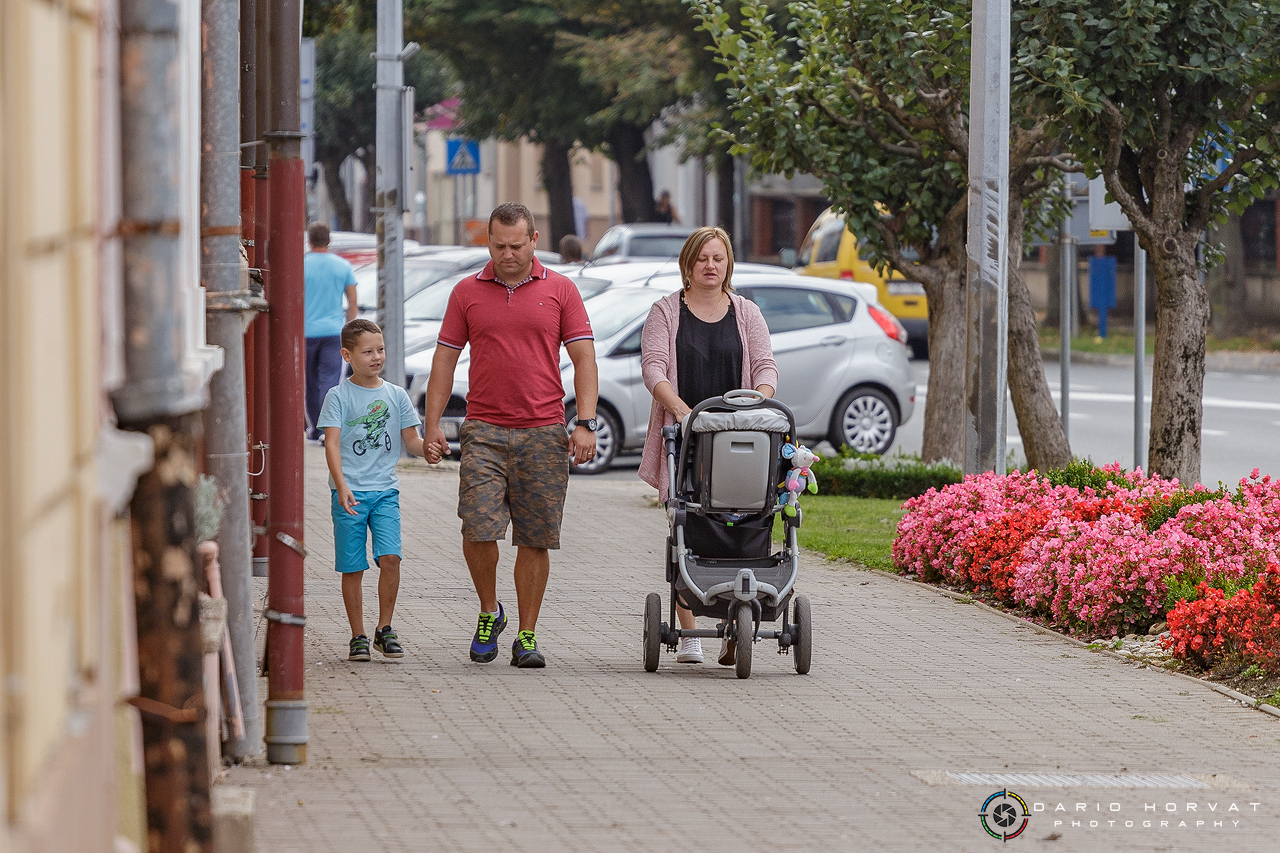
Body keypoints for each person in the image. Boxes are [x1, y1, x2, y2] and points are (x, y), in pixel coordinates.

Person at [422, 202, 600, 668]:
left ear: (534, 240)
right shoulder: (466, 292)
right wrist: (432, 423)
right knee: (478, 528)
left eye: (516, 245)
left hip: (543, 431)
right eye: (498, 245)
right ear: (488, 242)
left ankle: (526, 634)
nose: (507, 254)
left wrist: (584, 422)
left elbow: (584, 359)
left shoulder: (561, 290)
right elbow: (444, 360)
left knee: (535, 537)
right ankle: (488, 610)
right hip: (483, 429)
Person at [638, 226, 778, 665]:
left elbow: (765, 367)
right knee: (689, 522)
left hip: (739, 435)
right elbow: (654, 368)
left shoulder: (747, 312)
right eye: (702, 258)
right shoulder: (665, 312)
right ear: (688, 263)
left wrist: (760, 400)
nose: (710, 266)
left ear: (728, 263)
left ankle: (740, 618)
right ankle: (690, 633)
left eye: (718, 258)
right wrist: (681, 411)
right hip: (688, 436)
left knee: (746, 519)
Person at [319, 318, 440, 662]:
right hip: (350, 494)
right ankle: (357, 634)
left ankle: (384, 629)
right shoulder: (338, 396)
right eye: (367, 351)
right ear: (347, 355)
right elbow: (331, 443)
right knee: (353, 566)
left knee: (390, 558)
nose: (376, 357)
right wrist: (341, 485)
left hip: (386, 492)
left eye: (381, 349)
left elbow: (412, 441)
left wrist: (427, 451)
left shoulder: (396, 394)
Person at [304, 222, 358, 441]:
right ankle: (328, 429)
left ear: (309, 240)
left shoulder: (302, 265)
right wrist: (349, 325)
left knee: (309, 383)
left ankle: (315, 427)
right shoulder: (342, 266)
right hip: (333, 333)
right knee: (330, 381)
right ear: (329, 240)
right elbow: (352, 301)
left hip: (306, 332)